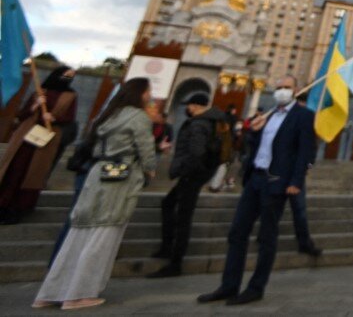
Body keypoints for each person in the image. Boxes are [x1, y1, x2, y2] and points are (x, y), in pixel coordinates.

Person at [32, 78, 156, 310]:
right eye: (149, 91)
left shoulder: (108, 114)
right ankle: (79, 293)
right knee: (104, 233)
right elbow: (146, 151)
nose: (150, 95)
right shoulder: (138, 117)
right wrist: (150, 169)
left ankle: (51, 291)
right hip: (121, 176)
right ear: (140, 94)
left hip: (97, 173)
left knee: (79, 232)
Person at [197, 76, 316, 305]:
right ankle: (229, 285)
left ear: (297, 90)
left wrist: (296, 181)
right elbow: (254, 147)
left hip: (277, 182)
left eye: (287, 88)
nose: (281, 91)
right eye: (279, 87)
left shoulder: (303, 116)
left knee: (266, 236)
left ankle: (255, 287)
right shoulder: (267, 115)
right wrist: (253, 131)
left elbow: (305, 152)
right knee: (237, 232)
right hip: (255, 179)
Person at [148, 92, 228, 278]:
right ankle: (167, 247)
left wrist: (186, 171)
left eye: (190, 105)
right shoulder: (213, 121)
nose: (187, 108)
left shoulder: (199, 124)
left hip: (192, 175)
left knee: (183, 216)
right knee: (168, 204)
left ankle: (175, 262)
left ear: (196, 106)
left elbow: (196, 151)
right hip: (198, 173)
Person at [0, 65, 78, 224]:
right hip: (26, 136)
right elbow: (22, 114)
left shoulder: (71, 96)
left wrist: (54, 118)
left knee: (32, 172)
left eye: (70, 77)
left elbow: (69, 118)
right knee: (14, 169)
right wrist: (35, 105)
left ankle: (18, 208)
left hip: (46, 138)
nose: (67, 79)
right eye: (65, 75)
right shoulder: (39, 91)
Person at [290, 91, 321, 257]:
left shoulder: (308, 119)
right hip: (280, 172)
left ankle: (304, 242)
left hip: (297, 173)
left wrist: (307, 166)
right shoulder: (285, 120)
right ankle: (263, 237)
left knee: (299, 209)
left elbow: (311, 149)